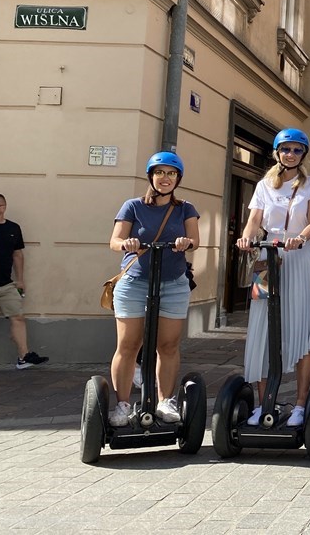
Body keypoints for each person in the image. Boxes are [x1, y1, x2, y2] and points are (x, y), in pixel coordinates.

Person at [235, 129, 310, 428]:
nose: (291, 154)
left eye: (297, 150)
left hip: (298, 258)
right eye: (286, 149)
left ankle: (299, 405)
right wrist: (246, 238)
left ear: (303, 155)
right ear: (277, 153)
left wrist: (300, 238)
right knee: (263, 328)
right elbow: (253, 220)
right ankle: (264, 404)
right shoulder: (264, 185)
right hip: (267, 259)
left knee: (302, 328)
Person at [107, 153, 199, 425]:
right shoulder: (133, 206)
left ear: (178, 178)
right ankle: (122, 405)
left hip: (173, 283)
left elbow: (195, 240)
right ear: (151, 176)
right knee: (128, 345)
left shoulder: (185, 208)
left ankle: (165, 401)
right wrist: (126, 244)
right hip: (135, 282)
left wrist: (185, 242)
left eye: (171, 173)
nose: (165, 178)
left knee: (167, 345)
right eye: (159, 172)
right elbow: (114, 240)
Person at [0, 194, 49, 375]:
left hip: (6, 285)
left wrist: (20, 280)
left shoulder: (13, 228)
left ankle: (24, 357)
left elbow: (17, 255)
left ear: (2, 208)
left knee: (17, 317)